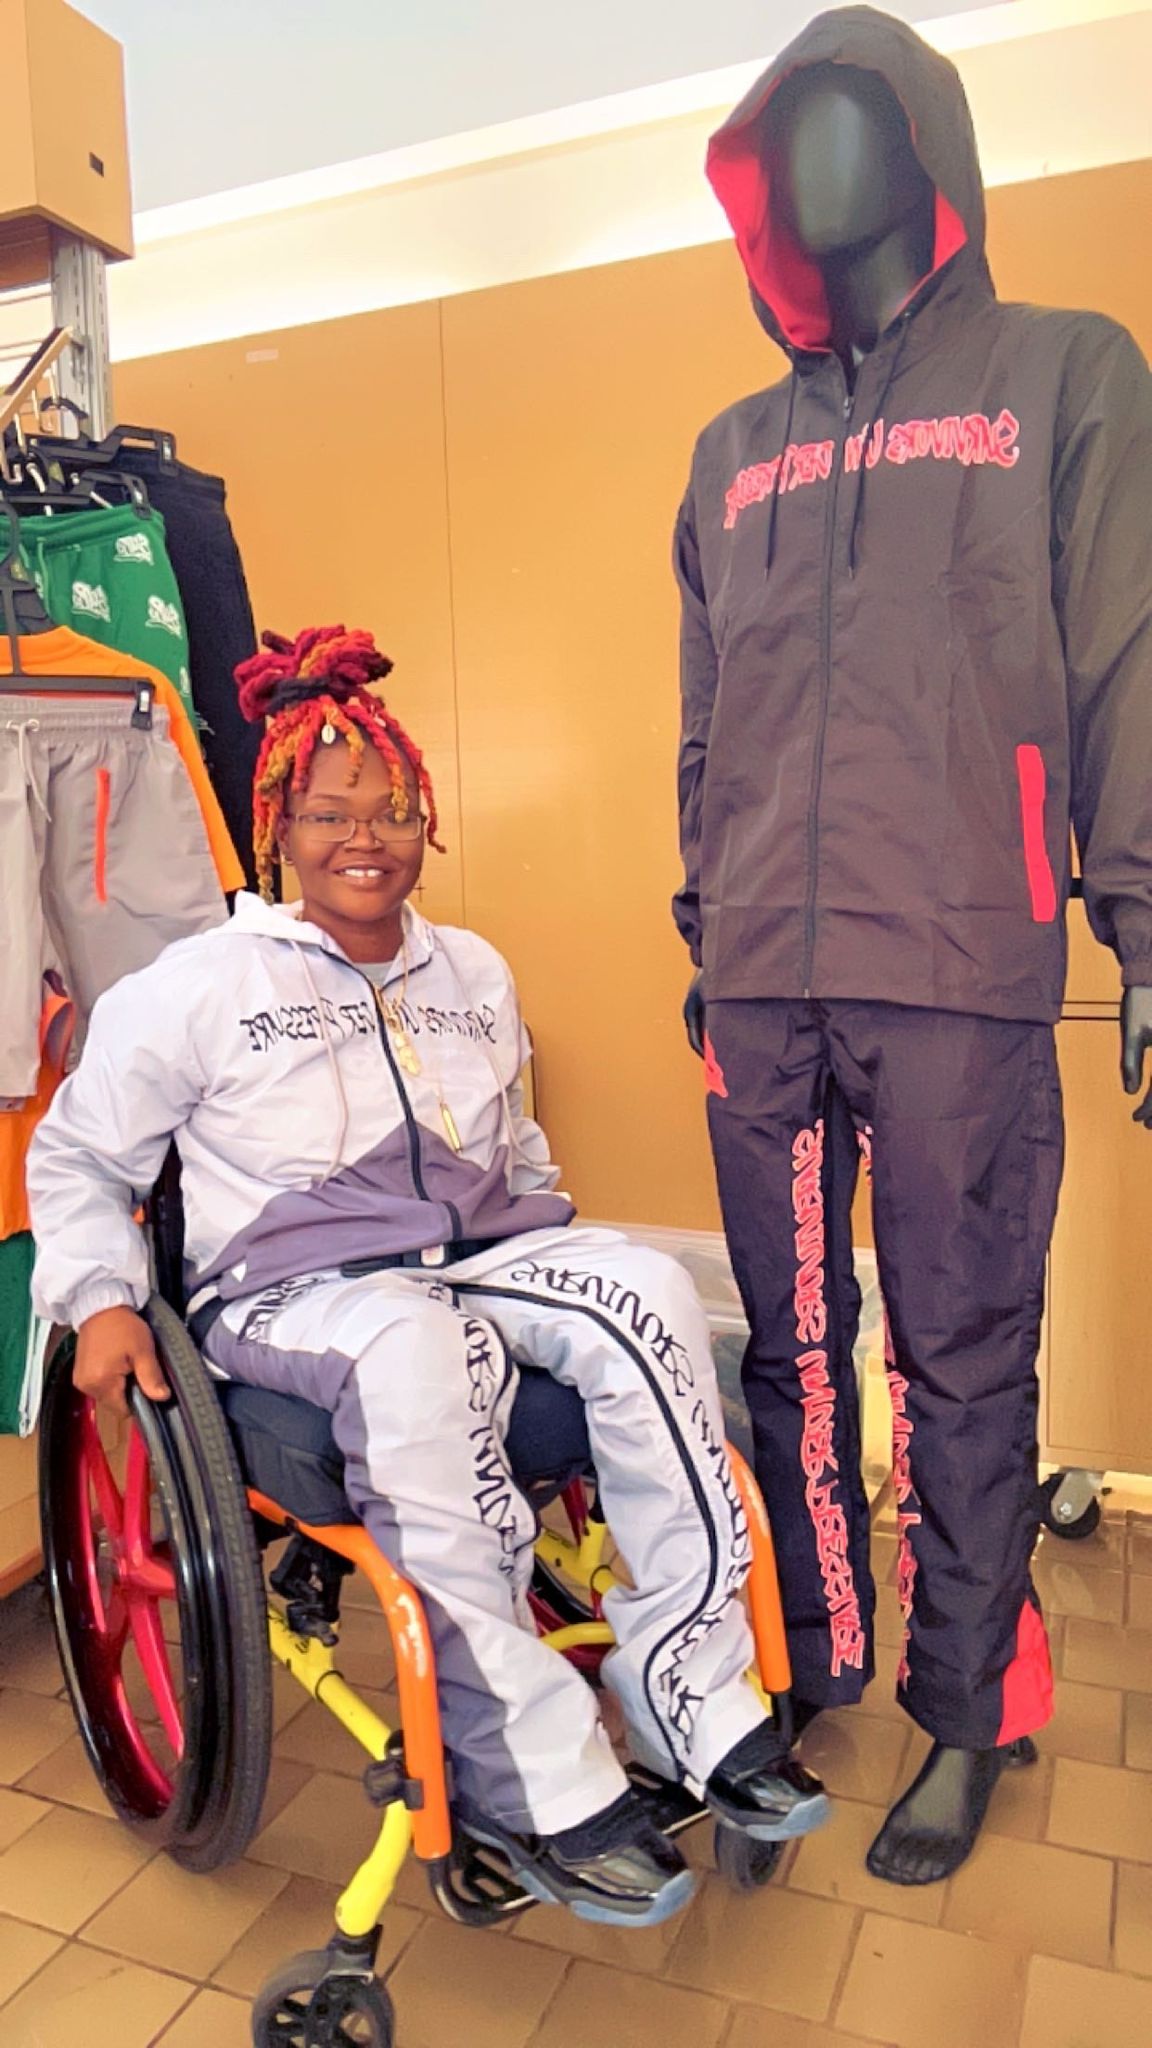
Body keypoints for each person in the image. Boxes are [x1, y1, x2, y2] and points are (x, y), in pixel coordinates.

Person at [28, 623, 827, 1928]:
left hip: (480, 1252)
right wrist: (104, 1300)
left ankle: (690, 1691)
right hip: (295, 1291)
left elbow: (517, 1148)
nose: (368, 838)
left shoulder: (472, 971)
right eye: (331, 813)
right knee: (420, 1351)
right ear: (278, 825)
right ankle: (529, 1771)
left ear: (426, 822)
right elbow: (76, 1156)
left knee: (648, 1291)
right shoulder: (195, 988)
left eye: (393, 812)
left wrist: (557, 1266)